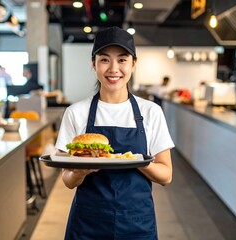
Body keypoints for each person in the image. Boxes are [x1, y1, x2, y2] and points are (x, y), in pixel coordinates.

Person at [55, 26, 174, 239]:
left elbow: (166, 175)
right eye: (104, 59)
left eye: (122, 59)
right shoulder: (75, 113)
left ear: (133, 64)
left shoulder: (151, 112)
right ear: (94, 64)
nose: (113, 69)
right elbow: (67, 179)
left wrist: (139, 161)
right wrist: (80, 172)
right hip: (88, 222)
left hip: (137, 222)